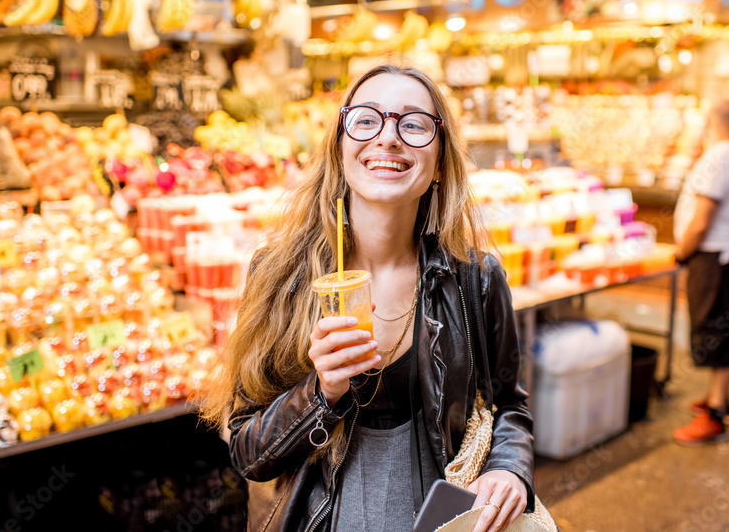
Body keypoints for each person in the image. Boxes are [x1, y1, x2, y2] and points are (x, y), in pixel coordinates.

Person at [201, 64, 535, 532]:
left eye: (413, 124)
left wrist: (508, 469)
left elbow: (510, 408)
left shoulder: (475, 280)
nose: (388, 138)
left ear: (439, 162)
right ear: (340, 148)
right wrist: (321, 392)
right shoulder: (280, 275)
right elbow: (249, 454)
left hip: (443, 522)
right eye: (366, 120)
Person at [672, 99, 729, 446]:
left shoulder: (721, 156)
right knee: (724, 328)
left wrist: (682, 251)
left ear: (709, 122)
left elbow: (702, 217)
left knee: (716, 332)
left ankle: (717, 414)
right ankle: (718, 399)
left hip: (714, 259)